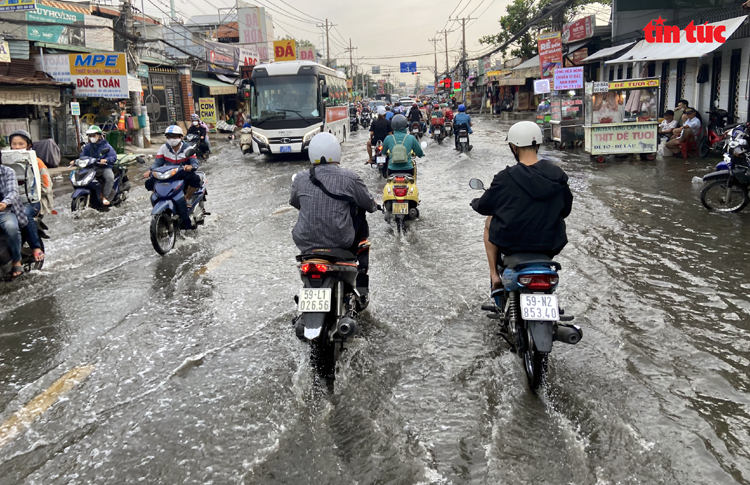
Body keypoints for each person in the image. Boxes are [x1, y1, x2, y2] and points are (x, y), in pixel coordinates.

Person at [471, 121, 573, 290]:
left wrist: (476, 203)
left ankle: (494, 275)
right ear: (538, 144)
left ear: (513, 146)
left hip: (512, 244)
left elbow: (485, 206)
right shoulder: (558, 175)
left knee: (489, 222)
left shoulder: (505, 178)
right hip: (549, 245)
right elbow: (566, 210)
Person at [290, 132, 378, 299]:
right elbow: (369, 204)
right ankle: (362, 271)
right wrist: (374, 206)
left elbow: (295, 203)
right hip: (340, 241)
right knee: (360, 213)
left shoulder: (300, 179)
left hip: (305, 243)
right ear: (336, 152)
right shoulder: (350, 178)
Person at [8, 130, 52, 263]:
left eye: (20, 144)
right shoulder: (5, 161)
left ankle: (35, 247)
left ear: (28, 145)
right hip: (10, 201)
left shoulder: (36, 162)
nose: (16, 147)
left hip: (33, 201)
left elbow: (47, 185)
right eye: (14, 144)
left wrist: (31, 193)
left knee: (23, 214)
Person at [143, 125, 202, 207]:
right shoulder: (164, 148)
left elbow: (195, 163)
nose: (172, 139)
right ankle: (161, 197)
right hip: (169, 174)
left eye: (174, 137)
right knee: (149, 183)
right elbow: (158, 163)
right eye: (169, 137)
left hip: (183, 173)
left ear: (181, 137)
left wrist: (190, 166)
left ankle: (186, 198)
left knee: (195, 179)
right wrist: (150, 170)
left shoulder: (188, 148)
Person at [0, 152, 29, 278]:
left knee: (11, 227)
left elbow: (13, 192)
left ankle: (16, 260)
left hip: (4, 211)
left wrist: (4, 203)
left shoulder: (7, 172)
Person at [78, 126, 117, 206]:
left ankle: (105, 197)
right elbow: (82, 156)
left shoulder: (106, 146)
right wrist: (77, 160)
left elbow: (113, 156)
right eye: (90, 135)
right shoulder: (88, 147)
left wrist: (106, 160)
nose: (92, 137)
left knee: (110, 178)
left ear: (99, 136)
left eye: (94, 135)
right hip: (92, 168)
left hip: (104, 167)